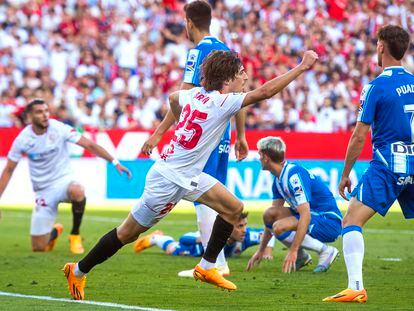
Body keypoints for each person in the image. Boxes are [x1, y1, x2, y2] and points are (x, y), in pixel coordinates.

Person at [62, 49, 318, 300]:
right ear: (227, 80)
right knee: (127, 233)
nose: (245, 78)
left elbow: (174, 99)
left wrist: (169, 132)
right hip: (169, 180)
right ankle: (77, 270)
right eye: (241, 74)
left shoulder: (193, 95)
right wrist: (302, 67)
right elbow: (265, 92)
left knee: (233, 208)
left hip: (189, 174)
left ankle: (207, 267)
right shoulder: (222, 102)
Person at [141, 0, 248, 277]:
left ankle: (215, 264)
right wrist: (241, 135)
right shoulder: (229, 51)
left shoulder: (197, 53)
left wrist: (158, 133)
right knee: (215, 195)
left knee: (204, 197)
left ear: (189, 23)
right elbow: (240, 97)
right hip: (222, 134)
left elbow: (183, 98)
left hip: (201, 136)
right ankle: (215, 261)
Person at [324, 25, 414, 303]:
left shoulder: (375, 86)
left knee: (351, 219)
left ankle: (356, 286)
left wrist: (345, 174)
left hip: (388, 163)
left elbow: (359, 134)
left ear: (381, 47)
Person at [0, 99, 131, 253]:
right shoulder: (22, 140)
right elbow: (8, 169)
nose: (45, 115)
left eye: (46, 111)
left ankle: (75, 234)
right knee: (38, 248)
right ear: (29, 116)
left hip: (64, 181)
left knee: (78, 191)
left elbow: (89, 144)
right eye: (39, 112)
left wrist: (114, 162)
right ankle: (55, 232)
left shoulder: (58, 128)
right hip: (43, 191)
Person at [246, 137, 341, 274]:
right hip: (314, 216)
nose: (258, 158)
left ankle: (326, 251)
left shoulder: (293, 176)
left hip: (328, 221)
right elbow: (272, 217)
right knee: (270, 214)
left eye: (260, 155)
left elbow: (305, 214)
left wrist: (293, 250)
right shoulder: (278, 180)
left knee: (279, 227)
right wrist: (261, 250)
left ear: (266, 157)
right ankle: (302, 257)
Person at [133, 212, 275, 260]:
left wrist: (266, 252)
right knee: (174, 249)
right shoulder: (214, 235)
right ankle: (156, 237)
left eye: (244, 225)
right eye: (240, 226)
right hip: (198, 250)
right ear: (228, 227)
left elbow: (270, 232)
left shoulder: (248, 236)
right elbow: (184, 238)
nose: (244, 230)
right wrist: (201, 239)